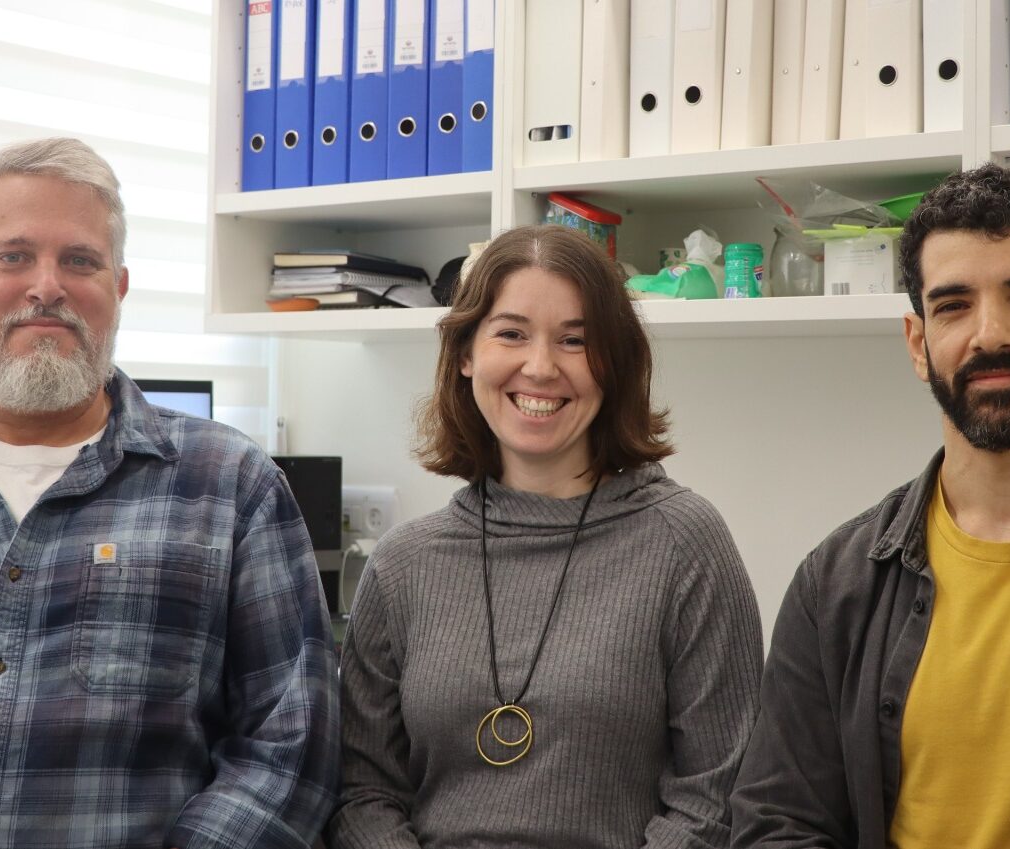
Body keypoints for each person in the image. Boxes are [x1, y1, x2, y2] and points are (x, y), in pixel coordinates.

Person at [0, 137, 339, 848]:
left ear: (117, 289)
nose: (46, 286)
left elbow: (290, 750)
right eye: (12, 255)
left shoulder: (230, 486)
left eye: (79, 260)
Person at [730, 163, 1010, 848]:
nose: (988, 334)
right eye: (952, 305)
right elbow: (777, 824)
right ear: (919, 344)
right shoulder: (833, 587)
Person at [327, 224, 764, 849]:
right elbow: (362, 790)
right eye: (511, 333)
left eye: (575, 341)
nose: (541, 367)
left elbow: (718, 792)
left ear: (615, 364)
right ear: (466, 354)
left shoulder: (683, 543)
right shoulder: (402, 565)